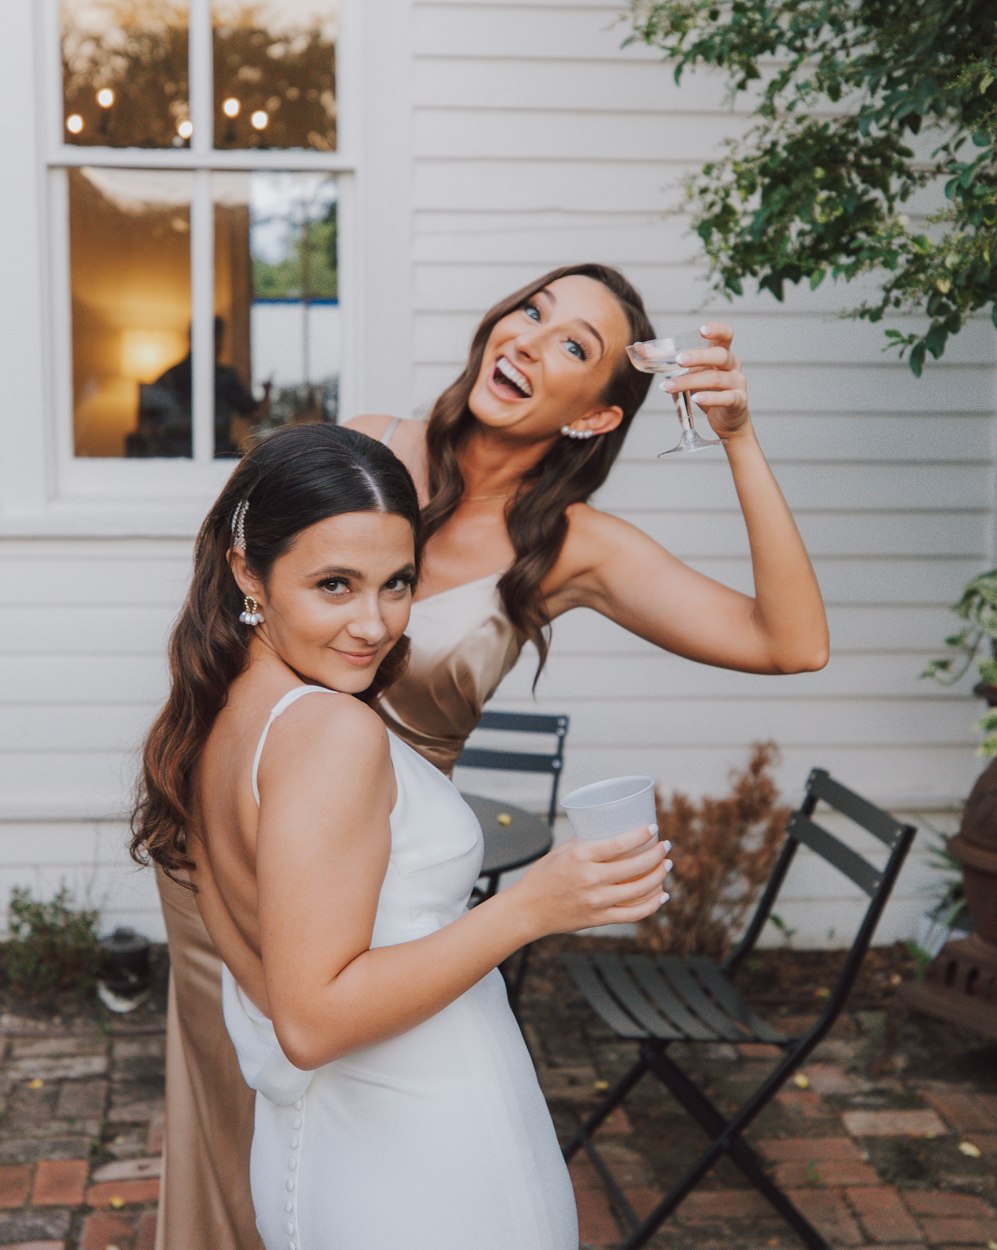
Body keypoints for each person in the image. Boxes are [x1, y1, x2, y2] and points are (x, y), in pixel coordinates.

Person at [150, 262, 829, 1250]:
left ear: (596, 416)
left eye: (572, 346)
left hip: (391, 868)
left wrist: (737, 440)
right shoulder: (372, 451)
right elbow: (242, 582)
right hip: (251, 838)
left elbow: (791, 641)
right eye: (531, 309)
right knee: (237, 1131)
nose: (527, 337)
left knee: (362, 1148)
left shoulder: (568, 546)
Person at [131, 423, 669, 1250]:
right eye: (335, 585)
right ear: (249, 569)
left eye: (398, 583)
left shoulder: (217, 712)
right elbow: (311, 1019)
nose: (375, 624)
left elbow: (273, 988)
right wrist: (531, 907)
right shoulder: (326, 731)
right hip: (423, 1165)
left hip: (329, 1150)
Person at [136, 315, 272, 458]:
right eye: (219, 338)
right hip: (214, 455)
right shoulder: (223, 377)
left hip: (171, 456)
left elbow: (147, 420)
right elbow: (257, 415)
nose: (222, 345)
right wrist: (267, 392)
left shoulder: (171, 374)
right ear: (215, 340)